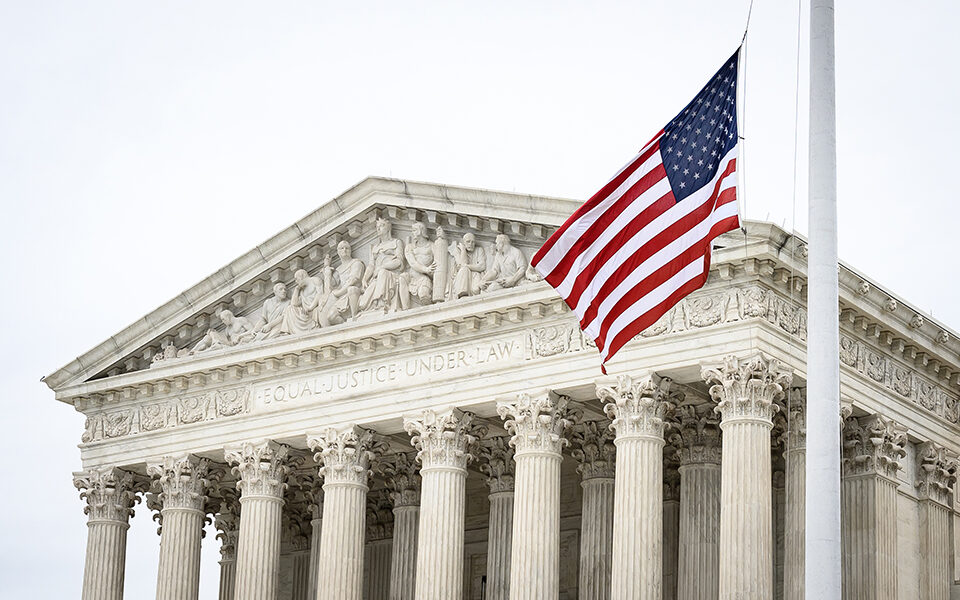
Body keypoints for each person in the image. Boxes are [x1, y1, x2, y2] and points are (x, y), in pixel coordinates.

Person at [359, 218, 405, 313]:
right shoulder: (375, 248)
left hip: (391, 275)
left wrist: (382, 267)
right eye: (377, 227)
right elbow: (371, 265)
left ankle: (381, 303)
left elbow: (399, 262)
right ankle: (375, 304)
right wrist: (364, 279)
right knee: (362, 305)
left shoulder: (396, 242)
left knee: (383, 273)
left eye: (381, 226)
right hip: (376, 278)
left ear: (388, 228)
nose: (378, 229)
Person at [320, 242, 364, 327]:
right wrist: (326, 267)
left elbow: (353, 280)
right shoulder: (338, 270)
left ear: (350, 250)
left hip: (353, 293)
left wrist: (339, 292)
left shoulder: (356, 263)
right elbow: (329, 287)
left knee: (351, 289)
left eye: (347, 248)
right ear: (338, 252)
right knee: (331, 316)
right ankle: (346, 327)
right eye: (342, 248)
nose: (344, 250)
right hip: (342, 298)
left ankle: (353, 319)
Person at [280, 268, 325, 335]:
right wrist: (297, 289)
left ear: (302, 276)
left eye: (296, 278)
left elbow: (320, 294)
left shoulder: (315, 280)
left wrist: (310, 307)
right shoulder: (302, 290)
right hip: (305, 313)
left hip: (314, 309)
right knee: (289, 309)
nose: (296, 281)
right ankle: (286, 332)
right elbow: (293, 304)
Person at [190, 310, 256, 353]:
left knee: (217, 346)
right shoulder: (227, 329)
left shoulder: (241, 320)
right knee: (210, 335)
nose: (223, 322)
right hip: (231, 345)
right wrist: (215, 334)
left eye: (223, 319)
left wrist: (239, 336)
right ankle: (193, 350)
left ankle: (201, 352)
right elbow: (228, 342)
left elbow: (252, 330)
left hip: (241, 343)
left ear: (228, 316)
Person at [403, 222, 436, 306]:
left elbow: (438, 261)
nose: (412, 232)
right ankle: (405, 310)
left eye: (414, 230)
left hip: (424, 277)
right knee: (401, 278)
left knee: (424, 296)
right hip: (411, 277)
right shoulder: (409, 247)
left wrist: (432, 272)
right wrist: (426, 269)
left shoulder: (432, 246)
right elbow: (412, 263)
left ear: (421, 231)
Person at [451, 232, 486, 298]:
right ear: (463, 243)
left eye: (473, 242)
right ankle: (463, 294)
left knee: (475, 290)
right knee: (464, 270)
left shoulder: (479, 250)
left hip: (475, 274)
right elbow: (462, 264)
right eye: (468, 242)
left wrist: (467, 266)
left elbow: (482, 266)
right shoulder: (458, 250)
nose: (471, 244)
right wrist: (463, 250)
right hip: (462, 277)